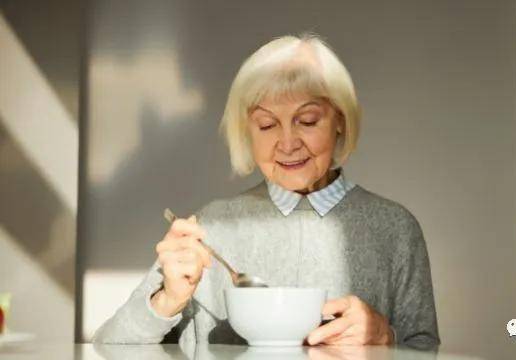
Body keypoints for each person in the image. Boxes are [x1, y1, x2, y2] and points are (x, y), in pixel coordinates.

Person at [93, 33, 440, 351]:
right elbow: (108, 346)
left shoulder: (395, 228)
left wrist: (386, 336)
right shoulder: (212, 227)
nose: (287, 143)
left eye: (307, 120)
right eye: (267, 124)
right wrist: (166, 300)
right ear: (247, 131)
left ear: (340, 121)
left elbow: (426, 349)